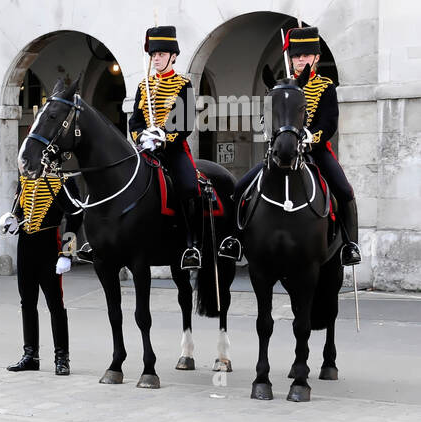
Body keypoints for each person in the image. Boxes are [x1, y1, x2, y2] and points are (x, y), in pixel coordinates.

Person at [220, 26, 360, 266]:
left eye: (306, 55)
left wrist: (310, 136)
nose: (300, 60)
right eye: (296, 55)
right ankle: (235, 239)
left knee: (344, 191)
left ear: (316, 57)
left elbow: (329, 122)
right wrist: (272, 131)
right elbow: (264, 120)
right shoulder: (279, 88)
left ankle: (349, 245)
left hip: (315, 152)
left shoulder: (325, 86)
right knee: (241, 188)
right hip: (280, 153)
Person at [0, 170, 84, 375]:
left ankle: (62, 357)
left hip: (49, 246)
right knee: (27, 302)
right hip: (25, 245)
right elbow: (19, 209)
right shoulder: (25, 179)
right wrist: (12, 221)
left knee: (55, 303)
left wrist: (67, 252)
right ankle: (30, 356)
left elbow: (76, 215)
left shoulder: (63, 179)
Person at [128, 25, 202, 271]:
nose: (156, 58)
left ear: (173, 56)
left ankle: (191, 243)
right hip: (146, 149)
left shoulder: (183, 85)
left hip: (173, 149)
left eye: (160, 54)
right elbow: (135, 120)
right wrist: (141, 137)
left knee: (190, 186)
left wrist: (164, 136)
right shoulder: (144, 85)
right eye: (153, 55)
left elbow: (186, 122)